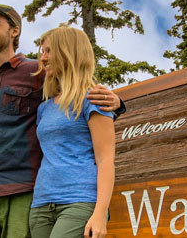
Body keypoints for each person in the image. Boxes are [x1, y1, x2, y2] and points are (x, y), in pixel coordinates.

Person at [0, 4, 123, 238]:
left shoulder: (36, 72)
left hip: (27, 191)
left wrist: (116, 102)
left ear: (14, 30)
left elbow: (77, 84)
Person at [28, 25, 116, 238]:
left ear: (68, 52)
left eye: (49, 51)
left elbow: (106, 159)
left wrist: (100, 213)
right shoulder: (44, 108)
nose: (43, 58)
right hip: (41, 203)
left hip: (80, 201)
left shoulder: (93, 100)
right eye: (42, 51)